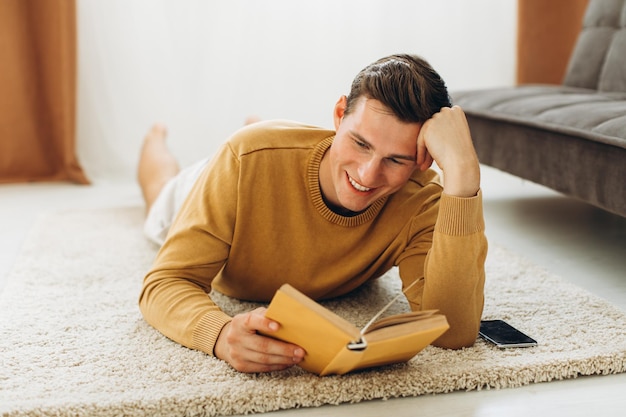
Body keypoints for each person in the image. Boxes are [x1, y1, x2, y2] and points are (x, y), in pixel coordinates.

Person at [138, 54, 487, 374]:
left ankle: (262, 124)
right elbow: (164, 284)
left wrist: (463, 177)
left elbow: (452, 331)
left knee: (265, 142)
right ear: (339, 115)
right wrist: (221, 333)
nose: (367, 175)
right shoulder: (245, 159)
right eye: (360, 143)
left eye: (396, 160)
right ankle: (155, 138)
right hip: (225, 175)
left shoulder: (424, 201)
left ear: (423, 159)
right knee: (161, 193)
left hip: (270, 153)